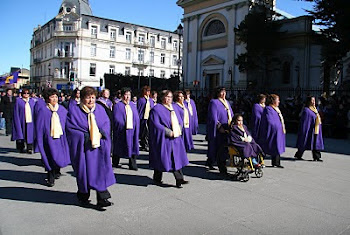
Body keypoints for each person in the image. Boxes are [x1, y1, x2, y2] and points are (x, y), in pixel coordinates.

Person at [66, 86, 115, 208]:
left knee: (100, 171)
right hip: (84, 149)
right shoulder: (74, 111)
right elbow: (71, 129)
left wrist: (101, 133)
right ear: (82, 99)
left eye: (93, 97)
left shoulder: (100, 110)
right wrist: (86, 136)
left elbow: (106, 124)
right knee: (85, 172)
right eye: (88, 98)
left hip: (99, 148)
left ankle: (102, 198)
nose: (91, 100)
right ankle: (83, 195)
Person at [149, 90, 189, 188]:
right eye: (167, 97)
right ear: (162, 98)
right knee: (161, 159)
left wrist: (178, 129)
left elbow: (180, 120)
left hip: (175, 138)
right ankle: (157, 177)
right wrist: (167, 132)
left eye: (170, 97)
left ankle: (179, 179)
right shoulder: (156, 109)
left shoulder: (174, 107)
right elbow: (155, 124)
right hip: (164, 139)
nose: (169, 99)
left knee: (175, 159)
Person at [35, 88, 70, 187]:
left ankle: (57, 170)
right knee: (50, 156)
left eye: (56, 97)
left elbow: (67, 124)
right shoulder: (43, 111)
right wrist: (39, 139)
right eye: (52, 97)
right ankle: (50, 176)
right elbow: (39, 126)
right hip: (49, 138)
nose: (54, 99)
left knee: (59, 155)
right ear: (47, 98)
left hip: (60, 137)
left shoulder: (62, 110)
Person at [112, 87, 140, 170]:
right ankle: (115, 162)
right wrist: (122, 125)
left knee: (133, 146)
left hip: (132, 130)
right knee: (119, 145)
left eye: (129, 95)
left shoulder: (132, 105)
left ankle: (132, 164)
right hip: (122, 130)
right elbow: (117, 118)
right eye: (126, 95)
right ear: (122, 96)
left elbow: (136, 117)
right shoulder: (118, 105)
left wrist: (136, 126)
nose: (127, 97)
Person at [206, 87, 234, 170]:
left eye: (224, 92)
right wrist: (218, 126)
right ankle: (213, 162)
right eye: (222, 92)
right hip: (219, 129)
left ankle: (220, 162)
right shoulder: (214, 102)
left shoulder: (227, 102)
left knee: (224, 146)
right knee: (217, 146)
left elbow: (231, 114)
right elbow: (213, 117)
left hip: (227, 127)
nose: (224, 94)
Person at [258, 94, 285, 168]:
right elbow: (270, 121)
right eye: (277, 100)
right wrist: (276, 127)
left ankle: (276, 162)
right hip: (270, 131)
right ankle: (260, 161)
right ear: (273, 101)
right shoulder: (268, 109)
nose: (279, 101)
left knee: (276, 146)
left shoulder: (276, 109)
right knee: (267, 146)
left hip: (277, 131)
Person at [295, 96, 324, 161]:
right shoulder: (306, 110)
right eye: (312, 100)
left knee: (316, 143)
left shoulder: (314, 109)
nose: (314, 102)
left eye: (314, 100)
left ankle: (316, 156)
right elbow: (305, 121)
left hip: (316, 129)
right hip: (309, 129)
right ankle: (299, 155)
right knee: (304, 142)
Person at [11, 89, 35, 153]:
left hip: (30, 121)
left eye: (27, 93)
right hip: (22, 120)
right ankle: (21, 147)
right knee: (21, 133)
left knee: (30, 134)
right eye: (24, 93)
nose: (26, 95)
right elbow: (16, 111)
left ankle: (29, 148)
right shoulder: (19, 101)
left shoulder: (32, 101)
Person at [137, 86, 154, 151]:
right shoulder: (141, 100)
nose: (148, 92)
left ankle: (147, 144)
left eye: (149, 91)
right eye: (147, 91)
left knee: (148, 132)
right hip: (143, 118)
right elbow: (139, 109)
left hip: (149, 118)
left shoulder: (150, 100)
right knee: (144, 132)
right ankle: (144, 144)